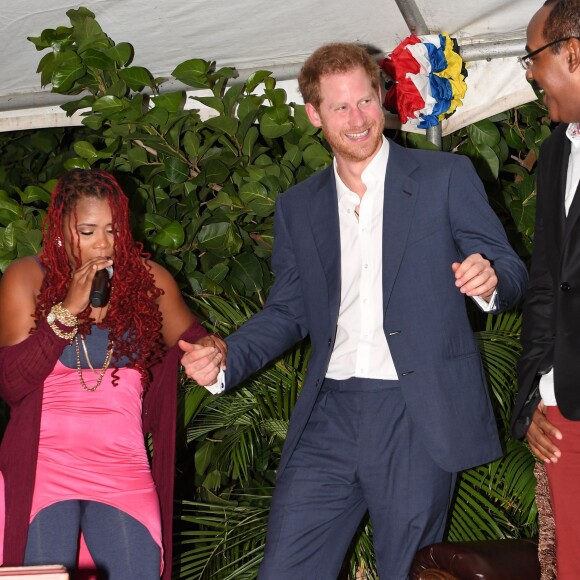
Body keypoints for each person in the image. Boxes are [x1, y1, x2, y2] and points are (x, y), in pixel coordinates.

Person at [182, 42, 528, 579]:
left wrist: (491, 280)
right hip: (330, 411)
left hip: (416, 411)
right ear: (314, 114)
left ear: (382, 97)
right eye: (340, 107)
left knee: (403, 571)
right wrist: (228, 353)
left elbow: (510, 268)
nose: (359, 119)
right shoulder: (298, 206)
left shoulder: (445, 178)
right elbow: (290, 308)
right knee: (286, 570)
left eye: (366, 101)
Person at [0, 169, 224, 579]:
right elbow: (13, 384)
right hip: (45, 466)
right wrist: (66, 311)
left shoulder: (150, 281)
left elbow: (199, 342)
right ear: (62, 230)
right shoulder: (26, 278)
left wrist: (213, 350)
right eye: (88, 231)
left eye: (112, 230)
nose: (103, 244)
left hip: (122, 466)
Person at [511, 0, 580, 576]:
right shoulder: (557, 150)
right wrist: (532, 394)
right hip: (562, 416)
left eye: (533, 57)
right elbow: (545, 281)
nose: (530, 73)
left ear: (572, 53)